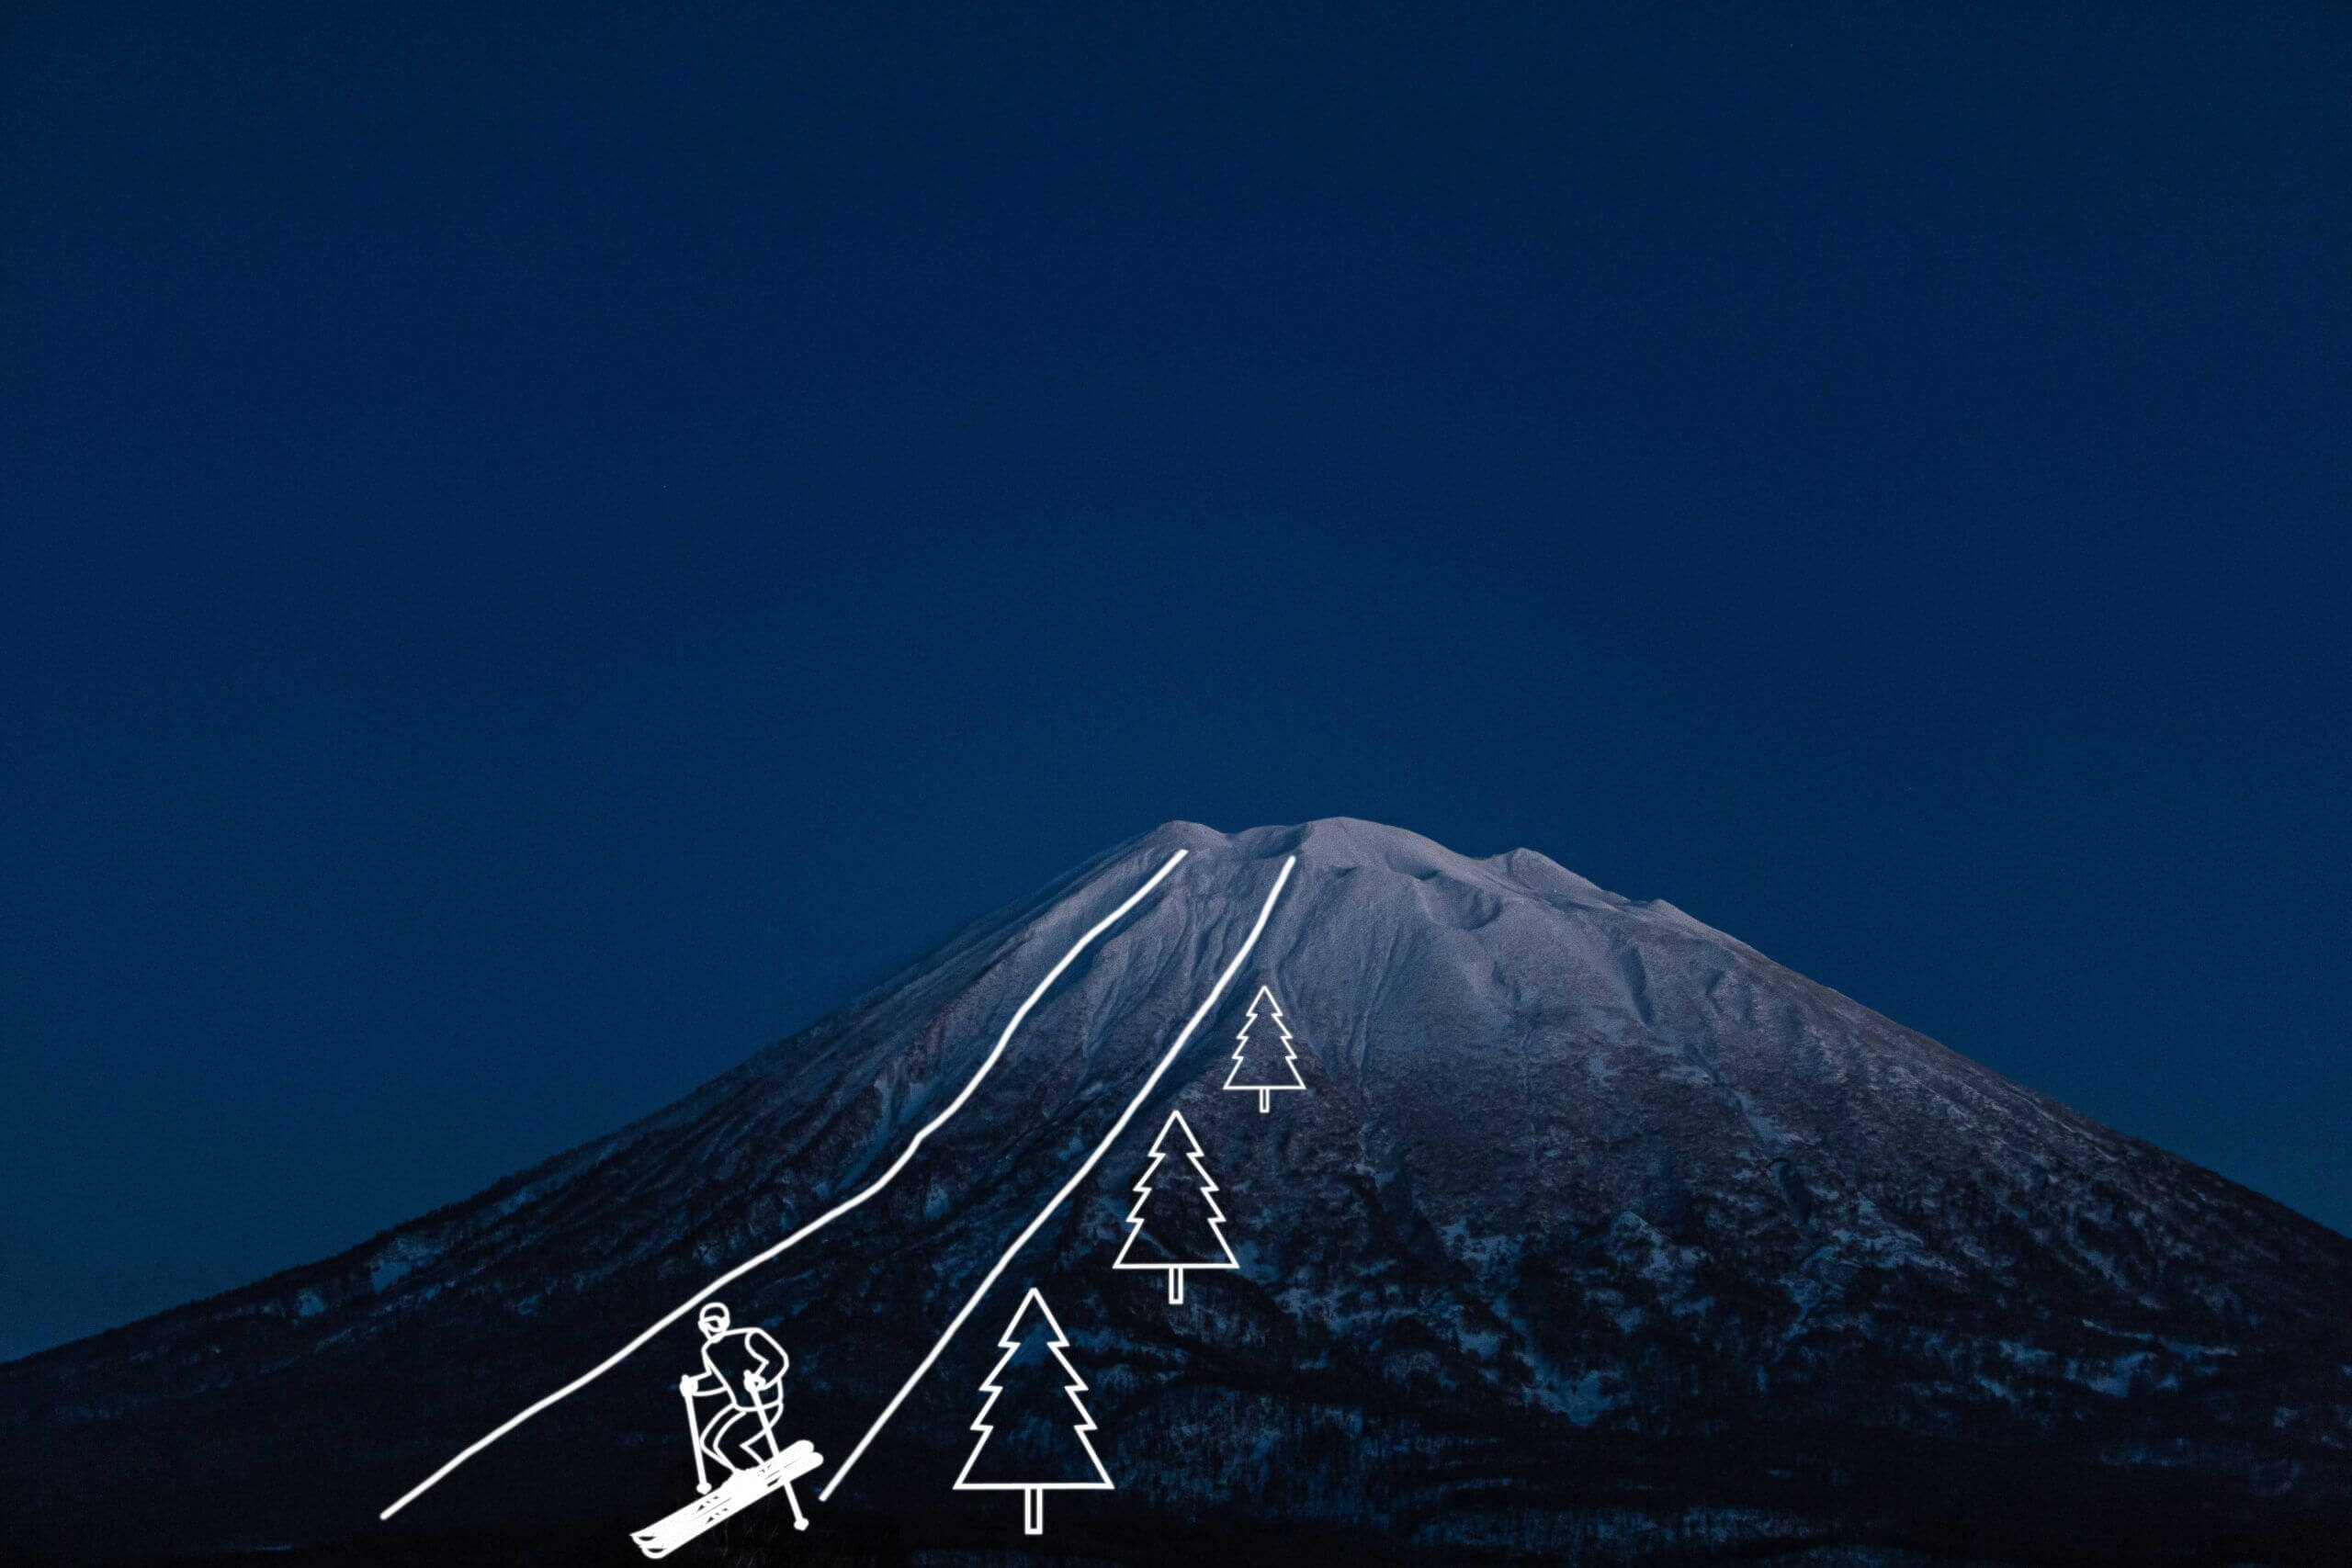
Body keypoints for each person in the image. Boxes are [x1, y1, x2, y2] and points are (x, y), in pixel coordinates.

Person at [678, 1301, 789, 1477]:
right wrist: (695, 1385)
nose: (710, 1329)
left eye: (714, 1323)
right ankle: (744, 1474)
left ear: (725, 1323)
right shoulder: (710, 1350)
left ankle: (754, 1474)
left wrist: (761, 1379)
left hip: (765, 1405)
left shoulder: (749, 1337)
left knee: (727, 1444)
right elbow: (717, 1380)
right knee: (707, 1442)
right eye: (705, 1325)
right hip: (742, 1407)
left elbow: (777, 1360)